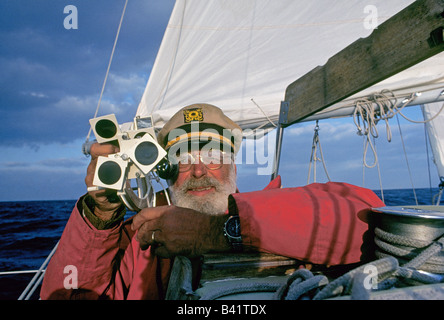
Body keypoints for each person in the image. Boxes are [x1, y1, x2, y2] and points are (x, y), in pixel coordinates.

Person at [40, 103, 385, 300]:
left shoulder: (285, 211)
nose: (200, 170)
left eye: (214, 155)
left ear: (234, 165)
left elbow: (366, 219)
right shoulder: (142, 241)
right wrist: (100, 214)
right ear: (166, 173)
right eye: (182, 161)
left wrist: (216, 232)